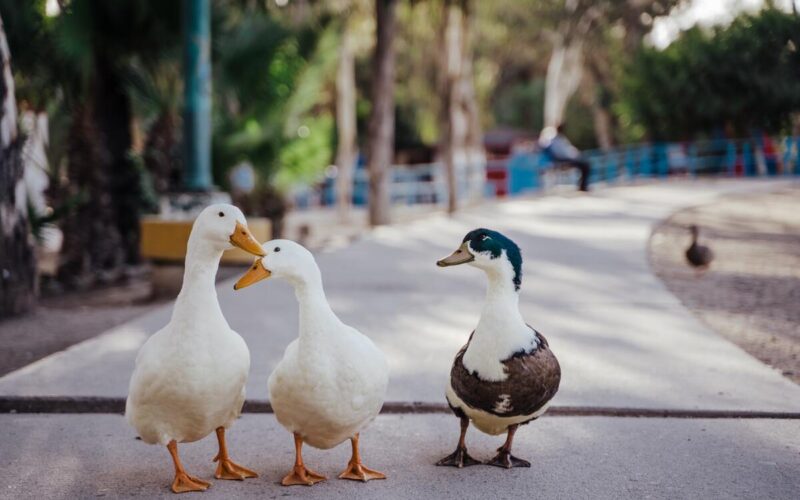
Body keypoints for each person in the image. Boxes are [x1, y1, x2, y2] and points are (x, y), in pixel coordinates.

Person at [538, 124, 591, 192]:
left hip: (565, 158)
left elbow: (567, 150)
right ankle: (582, 186)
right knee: (585, 165)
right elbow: (561, 153)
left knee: (585, 163)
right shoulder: (554, 139)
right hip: (561, 160)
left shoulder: (560, 138)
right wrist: (574, 156)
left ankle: (582, 186)